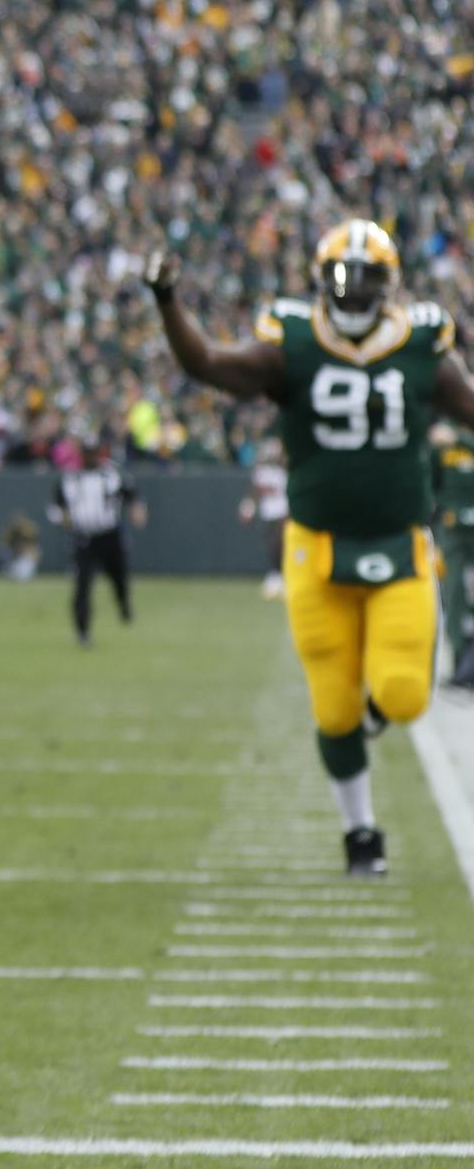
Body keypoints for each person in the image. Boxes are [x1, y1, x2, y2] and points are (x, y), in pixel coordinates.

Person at [149, 224, 474, 876]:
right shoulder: (290, 346)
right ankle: (361, 835)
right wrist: (166, 301)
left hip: (400, 543)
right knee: (332, 707)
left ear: (392, 287)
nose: (353, 294)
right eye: (342, 278)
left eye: (366, 280)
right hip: (317, 550)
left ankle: (373, 718)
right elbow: (207, 363)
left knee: (406, 693)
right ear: (321, 280)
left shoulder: (420, 347)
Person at [51, 438, 143, 647]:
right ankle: (82, 631)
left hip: (108, 534)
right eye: (87, 453)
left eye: (93, 452)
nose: (91, 457)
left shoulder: (111, 475)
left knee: (119, 577)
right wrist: (65, 520)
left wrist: (136, 510)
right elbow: (59, 505)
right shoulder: (70, 478)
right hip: (84, 537)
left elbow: (131, 495)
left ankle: (123, 604)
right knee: (82, 585)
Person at [431, 422, 474, 690]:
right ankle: (461, 666)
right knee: (454, 595)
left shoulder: (454, 436)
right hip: (454, 529)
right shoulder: (441, 438)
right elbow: (431, 482)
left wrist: (458, 438)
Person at [239, 438, 290, 599]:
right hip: (268, 511)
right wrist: (248, 507)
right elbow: (255, 492)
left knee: (281, 543)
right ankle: (275, 576)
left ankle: (283, 576)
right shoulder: (262, 472)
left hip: (283, 510)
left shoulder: (284, 471)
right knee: (271, 544)